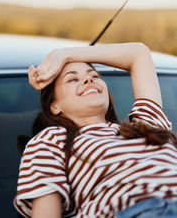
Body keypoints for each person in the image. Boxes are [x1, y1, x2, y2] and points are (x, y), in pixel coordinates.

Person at [13, 43, 177, 218]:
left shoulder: (144, 127)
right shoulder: (50, 141)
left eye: (94, 76)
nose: (89, 80)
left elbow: (139, 54)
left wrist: (63, 55)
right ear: (54, 106)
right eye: (72, 79)